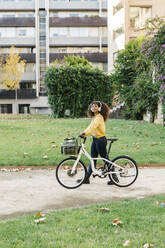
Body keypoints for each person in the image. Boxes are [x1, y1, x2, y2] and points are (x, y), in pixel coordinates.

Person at [78, 101, 114, 185]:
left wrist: (85, 133)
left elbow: (92, 127)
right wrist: (85, 132)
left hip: (100, 140)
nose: (93, 107)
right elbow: (90, 127)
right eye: (92, 106)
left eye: (96, 106)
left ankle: (114, 178)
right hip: (95, 140)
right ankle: (86, 179)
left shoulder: (99, 118)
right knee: (93, 159)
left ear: (99, 108)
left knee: (105, 159)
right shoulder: (95, 117)